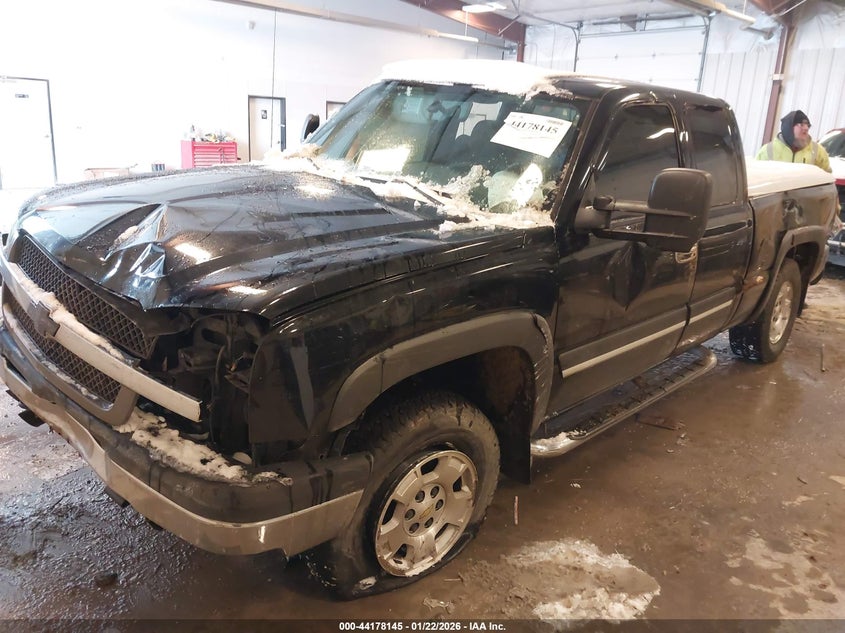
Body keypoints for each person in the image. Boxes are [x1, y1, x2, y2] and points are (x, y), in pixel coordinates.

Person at [756, 110, 832, 172]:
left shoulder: (818, 151)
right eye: (802, 125)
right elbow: (757, 177)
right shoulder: (767, 150)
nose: (806, 128)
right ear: (789, 128)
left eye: (808, 125)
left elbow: (827, 178)